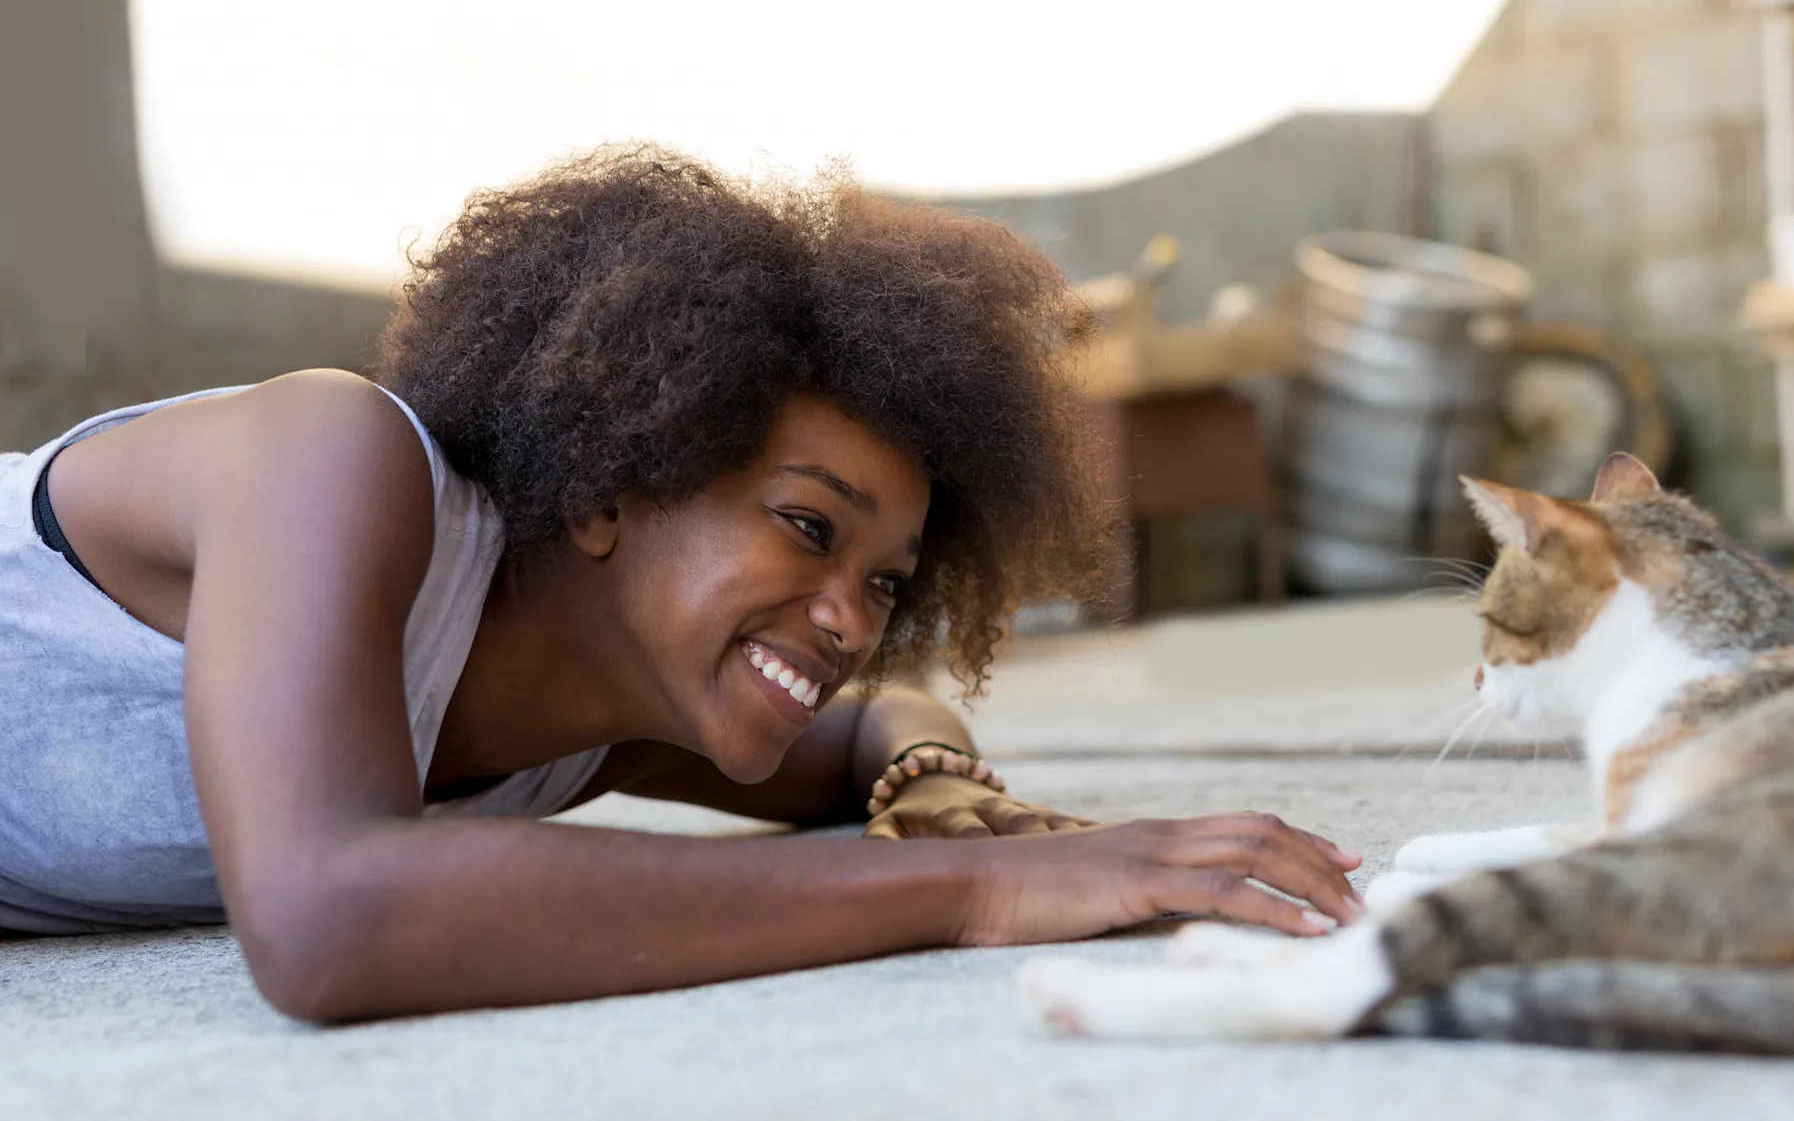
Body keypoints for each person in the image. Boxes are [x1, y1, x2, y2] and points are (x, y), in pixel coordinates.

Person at [0, 147, 1362, 1021]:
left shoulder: (606, 725)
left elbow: (877, 729)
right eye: (803, 526)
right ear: (610, 483)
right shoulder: (331, 462)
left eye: (887, 581)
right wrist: (972, 894)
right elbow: (324, 919)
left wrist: (934, 793)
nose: (848, 620)